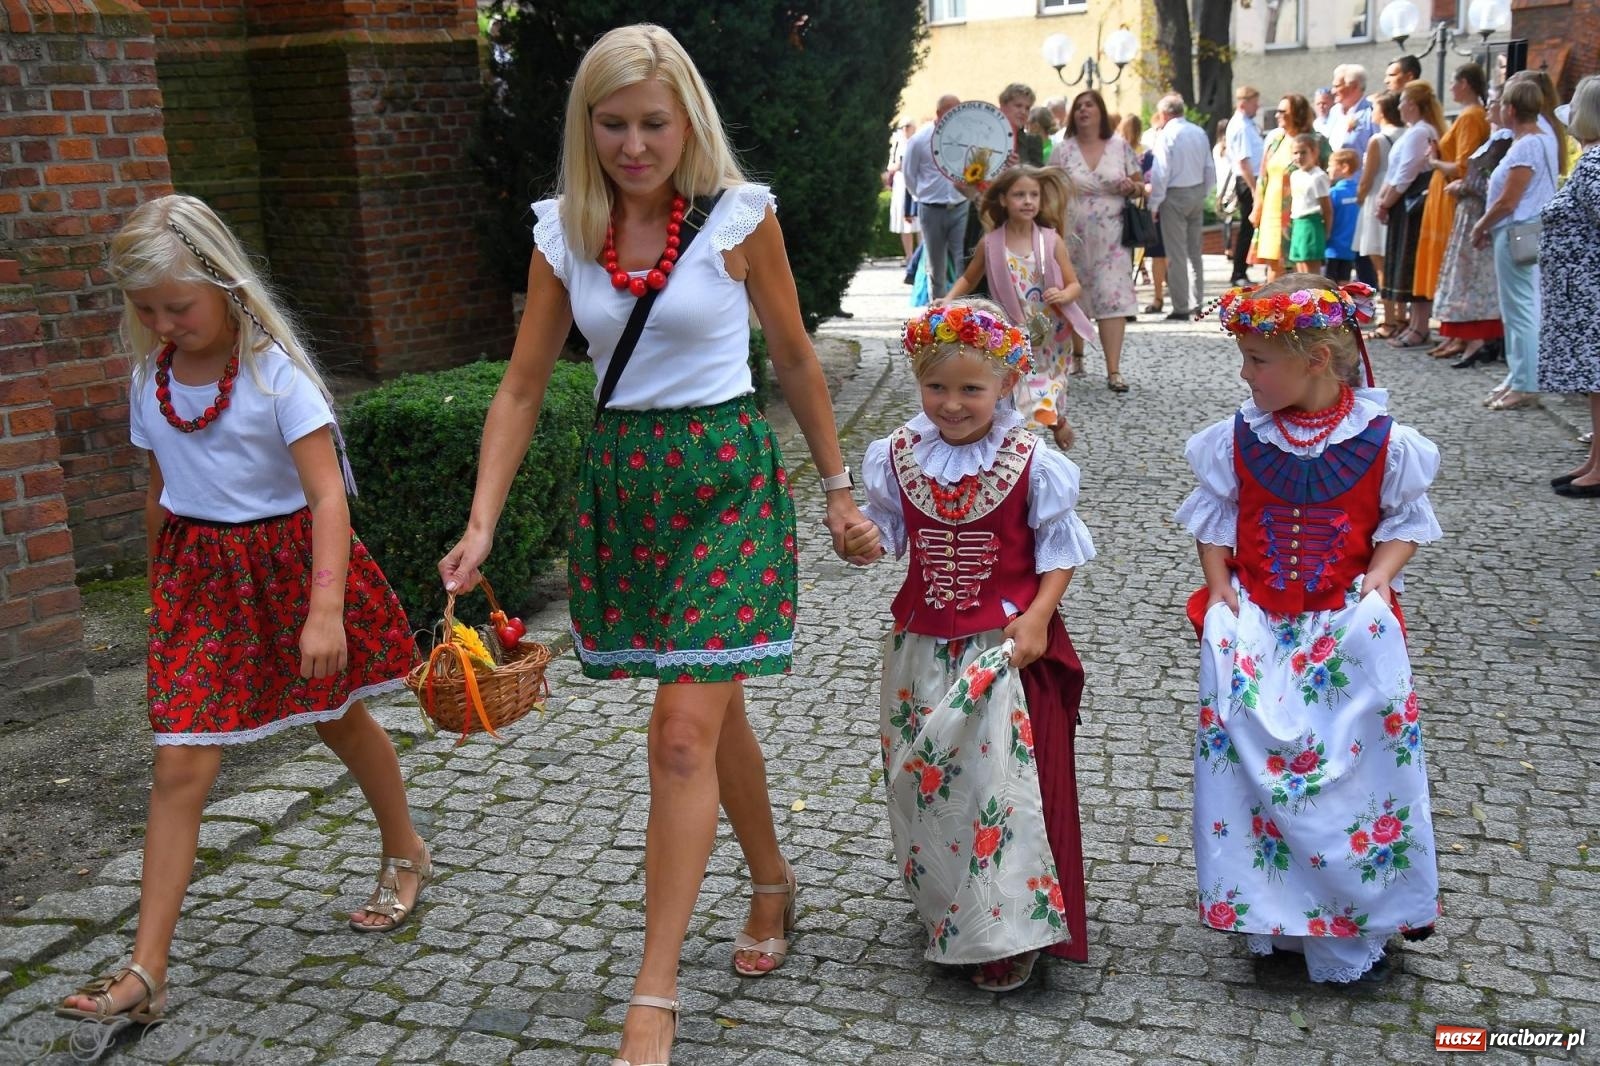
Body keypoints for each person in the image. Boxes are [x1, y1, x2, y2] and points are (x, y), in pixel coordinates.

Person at [435, 26, 876, 1066]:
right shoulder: (564, 232)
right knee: (706, 709)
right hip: (625, 491)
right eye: (614, 122)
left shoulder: (738, 217)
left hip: (725, 481)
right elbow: (524, 384)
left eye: (653, 123)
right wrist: (483, 519)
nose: (634, 145)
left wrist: (836, 489)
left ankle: (654, 991)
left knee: (680, 728)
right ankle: (771, 880)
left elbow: (797, 358)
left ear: (688, 122)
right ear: (587, 126)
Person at [56, 194, 427, 1026]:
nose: (162, 322)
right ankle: (148, 972)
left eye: (176, 306)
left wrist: (324, 613)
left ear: (224, 285)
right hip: (200, 584)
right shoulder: (148, 382)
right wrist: (160, 588)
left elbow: (327, 497)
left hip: (290, 570)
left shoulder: (275, 377)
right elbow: (159, 494)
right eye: (144, 309)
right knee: (180, 762)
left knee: (339, 717)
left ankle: (406, 848)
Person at [1178, 273, 1443, 986]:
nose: (1244, 372)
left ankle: (1351, 930)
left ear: (1318, 360)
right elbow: (1216, 518)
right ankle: (1275, 925)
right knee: (1260, 781)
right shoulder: (1239, 436)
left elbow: (1404, 524)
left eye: (1258, 360)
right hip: (1263, 628)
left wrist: (1380, 579)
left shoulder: (1385, 440)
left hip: (1341, 632)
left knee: (1347, 780)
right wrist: (1220, 588)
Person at [861, 297, 1096, 993]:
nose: (953, 403)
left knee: (1000, 790)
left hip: (1004, 649)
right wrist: (859, 539)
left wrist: (1039, 617)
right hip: (920, 648)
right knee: (931, 782)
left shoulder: (1032, 459)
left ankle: (1005, 929)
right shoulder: (896, 456)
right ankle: (947, 904)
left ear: (1005, 385)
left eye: (971, 388)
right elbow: (886, 539)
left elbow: (1060, 549)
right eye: (937, 387)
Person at [944, 166, 1091, 447]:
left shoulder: (1051, 240)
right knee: (1016, 386)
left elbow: (1075, 284)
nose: (1027, 201)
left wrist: (1064, 294)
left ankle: (1056, 420)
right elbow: (968, 277)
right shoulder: (991, 243)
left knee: (1049, 385)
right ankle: (1019, 442)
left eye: (1034, 195)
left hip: (1051, 334)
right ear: (1002, 200)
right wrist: (948, 300)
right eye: (1019, 195)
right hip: (1013, 331)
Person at [1471, 77, 1561, 412]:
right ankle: (1519, 374)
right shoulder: (1540, 139)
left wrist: (1481, 225)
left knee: (1520, 309)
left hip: (1516, 230)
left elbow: (1509, 200)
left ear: (1510, 109)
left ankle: (1526, 382)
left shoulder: (1527, 145)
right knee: (1519, 307)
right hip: (1522, 229)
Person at [1050, 91, 1144, 392]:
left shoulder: (1119, 147)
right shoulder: (1062, 150)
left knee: (1112, 298)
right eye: (1078, 106)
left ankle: (1113, 370)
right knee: (1073, 295)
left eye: (1089, 105)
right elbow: (1048, 190)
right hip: (1071, 235)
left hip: (1112, 237)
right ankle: (1077, 355)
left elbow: (1142, 185)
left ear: (1101, 112)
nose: (1083, 110)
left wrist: (1133, 188)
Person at [1539, 75, 1600, 497]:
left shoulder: (1595, 164)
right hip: (1581, 293)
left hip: (1591, 295)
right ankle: (1596, 459)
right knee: (1596, 385)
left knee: (1599, 382)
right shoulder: (1591, 159)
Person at [1415, 64, 1491, 360]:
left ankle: (1460, 335)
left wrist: (1434, 161)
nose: (1450, 87)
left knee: (1456, 266)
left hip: (1452, 194)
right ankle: (1454, 334)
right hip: (1443, 192)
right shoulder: (1468, 115)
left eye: (1454, 82)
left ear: (1466, 83)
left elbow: (1463, 166)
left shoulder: (1471, 116)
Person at [1433, 89, 1509, 368]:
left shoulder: (1504, 142)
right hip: (1471, 213)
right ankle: (1467, 338)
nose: (1488, 107)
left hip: (1479, 213)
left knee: (1476, 278)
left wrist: (1462, 186)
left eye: (1494, 102)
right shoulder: (1496, 139)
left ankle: (1478, 340)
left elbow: (1487, 184)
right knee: (1467, 277)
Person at [1375, 81, 1445, 349]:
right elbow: (1394, 172)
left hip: (1412, 205)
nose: (1400, 106)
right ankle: (1415, 324)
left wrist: (1385, 202)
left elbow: (1407, 172)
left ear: (1413, 105)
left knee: (1412, 263)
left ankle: (1420, 325)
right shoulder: (1413, 131)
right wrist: (1384, 199)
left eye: (1403, 101)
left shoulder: (1421, 132)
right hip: (1401, 203)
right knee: (1406, 262)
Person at [1149, 93, 1215, 320]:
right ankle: (1198, 302)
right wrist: (1204, 193)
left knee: (1176, 254)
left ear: (1165, 113)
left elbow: (1161, 171)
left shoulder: (1166, 134)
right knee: (1195, 252)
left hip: (1174, 195)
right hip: (1196, 190)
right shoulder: (1199, 132)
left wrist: (1154, 203)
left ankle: (1180, 306)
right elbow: (1209, 166)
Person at [905, 93, 970, 300]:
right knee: (936, 266)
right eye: (950, 111)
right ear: (939, 113)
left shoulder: (966, 137)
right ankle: (938, 314)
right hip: (931, 208)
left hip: (960, 206)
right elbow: (909, 174)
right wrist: (923, 196)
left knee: (963, 262)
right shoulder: (920, 139)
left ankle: (963, 313)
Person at [1251, 94, 1313, 281]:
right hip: (1271, 212)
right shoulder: (1276, 140)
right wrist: (1257, 208)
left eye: (1282, 111)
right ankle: (1271, 310)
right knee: (1274, 266)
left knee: (1298, 270)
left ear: (1297, 113)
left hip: (1298, 213)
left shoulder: (1312, 141)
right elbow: (1263, 177)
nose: (1277, 115)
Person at [1357, 92, 1404, 335]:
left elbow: (1367, 177)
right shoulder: (1408, 134)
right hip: (1400, 199)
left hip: (1378, 198)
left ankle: (1390, 319)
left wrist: (1359, 196)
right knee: (1398, 262)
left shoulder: (1378, 139)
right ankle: (1401, 316)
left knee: (1381, 264)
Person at [1226, 86, 1266, 287]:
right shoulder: (1240, 127)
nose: (1257, 107)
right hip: (1248, 180)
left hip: (1253, 179)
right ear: (1244, 103)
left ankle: (1242, 269)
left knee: (1251, 227)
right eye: (1254, 103)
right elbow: (1244, 162)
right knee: (1248, 227)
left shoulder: (1247, 124)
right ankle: (1239, 271)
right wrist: (1254, 188)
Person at [1287, 134, 1333, 274]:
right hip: (1298, 223)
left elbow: (1327, 208)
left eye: (1303, 152)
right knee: (1299, 267)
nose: (1299, 157)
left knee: (1310, 271)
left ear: (1314, 152)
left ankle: (1314, 295)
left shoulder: (1318, 177)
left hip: (1312, 224)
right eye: (1295, 153)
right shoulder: (1295, 175)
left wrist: (1326, 232)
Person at [1324, 149, 1363, 282]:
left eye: (1331, 165)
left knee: (1329, 285)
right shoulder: (1359, 191)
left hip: (1332, 247)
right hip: (1351, 247)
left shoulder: (1333, 192)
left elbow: (1328, 215)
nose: (1328, 169)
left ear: (1344, 167)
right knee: (1345, 283)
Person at [887, 117, 922, 264]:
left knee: (919, 223)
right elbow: (891, 166)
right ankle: (909, 256)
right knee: (904, 222)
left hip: (915, 184)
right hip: (901, 185)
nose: (905, 129)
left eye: (908, 126)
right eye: (902, 127)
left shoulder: (917, 143)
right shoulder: (897, 145)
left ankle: (921, 256)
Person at [1327, 65, 1375, 159]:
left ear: (1354, 86)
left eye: (1336, 86)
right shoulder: (1334, 111)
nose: (1332, 91)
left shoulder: (1371, 113)